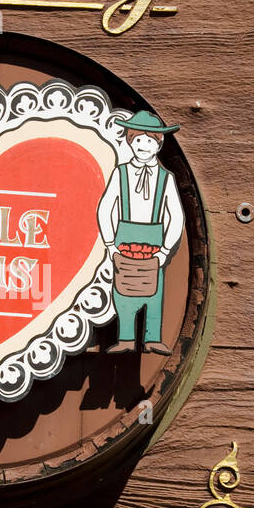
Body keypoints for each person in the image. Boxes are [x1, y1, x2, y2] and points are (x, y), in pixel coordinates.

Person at [97, 110, 185, 353]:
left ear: (158, 145)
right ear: (129, 141)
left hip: (155, 243)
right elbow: (107, 208)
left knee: (154, 294)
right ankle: (125, 338)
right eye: (137, 140)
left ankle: (152, 337)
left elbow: (174, 215)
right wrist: (110, 244)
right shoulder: (120, 173)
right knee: (123, 292)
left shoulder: (165, 178)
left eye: (149, 140)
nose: (143, 145)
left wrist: (166, 250)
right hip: (124, 240)